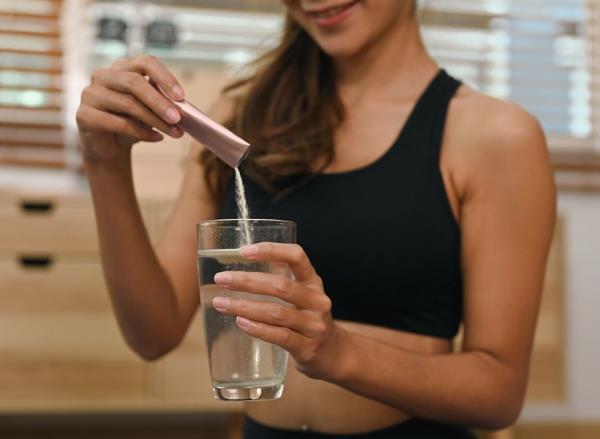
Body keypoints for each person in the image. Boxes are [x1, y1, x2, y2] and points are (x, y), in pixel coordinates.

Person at [75, 0, 556, 437]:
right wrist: (105, 162)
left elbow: (498, 393)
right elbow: (152, 333)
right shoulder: (238, 118)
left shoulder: (494, 136)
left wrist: (339, 353)